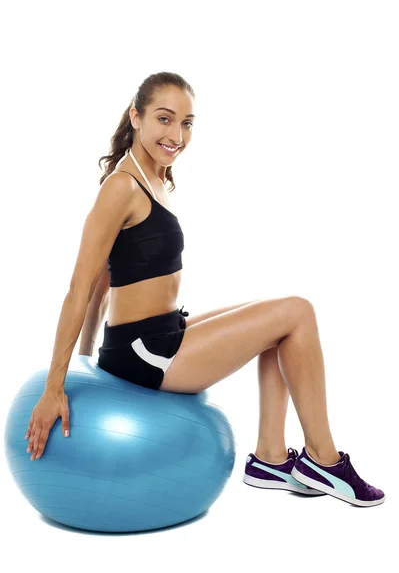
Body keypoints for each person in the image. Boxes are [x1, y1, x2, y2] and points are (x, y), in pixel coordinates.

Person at [25, 71, 385, 508]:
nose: (176, 134)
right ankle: (324, 460)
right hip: (143, 352)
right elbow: (79, 288)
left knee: (277, 319)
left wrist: (88, 357)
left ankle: (271, 458)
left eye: (187, 122)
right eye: (164, 119)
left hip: (159, 334)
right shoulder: (121, 186)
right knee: (297, 311)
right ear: (136, 118)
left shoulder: (154, 176)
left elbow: (107, 278)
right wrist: (57, 385)